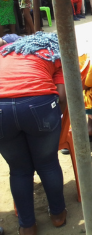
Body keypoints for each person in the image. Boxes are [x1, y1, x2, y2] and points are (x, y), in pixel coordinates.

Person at [0, 32, 68, 234]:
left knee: (19, 170)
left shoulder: (3, 52)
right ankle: (57, 215)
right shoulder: (52, 53)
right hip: (39, 104)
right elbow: (62, 96)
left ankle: (27, 226)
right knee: (47, 164)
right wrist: (56, 120)